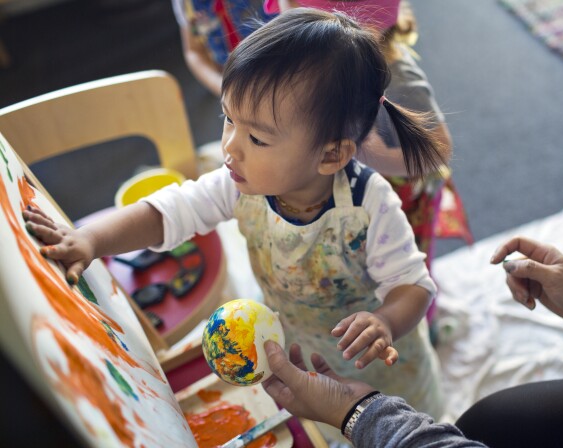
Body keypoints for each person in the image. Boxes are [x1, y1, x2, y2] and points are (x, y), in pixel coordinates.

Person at [260, 0, 563, 446]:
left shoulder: (392, 88)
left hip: (401, 196)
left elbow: (436, 149)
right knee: (492, 418)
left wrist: (358, 414)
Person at [23, 8, 447, 420]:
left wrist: (386, 321)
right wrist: (92, 240)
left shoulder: (369, 206)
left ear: (332, 154)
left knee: (382, 428)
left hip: (375, 371)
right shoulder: (238, 181)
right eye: (229, 119)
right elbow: (167, 213)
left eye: (257, 138)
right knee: (320, 424)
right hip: (299, 340)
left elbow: (412, 285)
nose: (229, 147)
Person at [266, 0, 471, 332]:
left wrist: (360, 150)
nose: (277, 14)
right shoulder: (323, 66)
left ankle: (423, 324)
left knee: (406, 274)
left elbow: (440, 149)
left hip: (403, 198)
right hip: (356, 197)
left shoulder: (398, 79)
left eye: (290, 9)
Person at [172, 0, 276, 97]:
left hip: (280, 64)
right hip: (235, 82)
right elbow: (194, 50)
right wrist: (223, 88)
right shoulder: (185, 3)